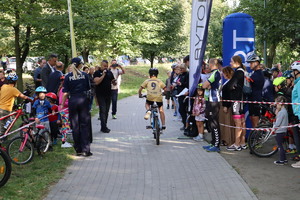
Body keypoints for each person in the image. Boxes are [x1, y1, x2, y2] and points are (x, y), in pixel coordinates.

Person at [61, 57, 92, 157]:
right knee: (85, 125)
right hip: (83, 100)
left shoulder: (68, 76)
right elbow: (88, 88)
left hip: (72, 101)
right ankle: (86, 150)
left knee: (75, 125)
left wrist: (62, 104)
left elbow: (65, 92)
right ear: (80, 65)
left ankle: (78, 149)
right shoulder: (84, 75)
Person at [226, 55, 247, 151]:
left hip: (236, 100)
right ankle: (242, 143)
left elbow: (230, 86)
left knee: (237, 122)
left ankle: (237, 144)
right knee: (242, 122)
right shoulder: (243, 71)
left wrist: (230, 87)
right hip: (241, 99)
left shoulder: (238, 72)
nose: (230, 63)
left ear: (236, 62)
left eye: (231, 61)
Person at [202, 58, 222, 152]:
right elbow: (207, 85)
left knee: (214, 123)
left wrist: (206, 85)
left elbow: (204, 85)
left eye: (208, 64)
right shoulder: (214, 73)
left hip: (214, 100)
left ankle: (217, 144)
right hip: (210, 100)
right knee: (210, 122)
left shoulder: (215, 73)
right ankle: (213, 142)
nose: (208, 66)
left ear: (211, 64)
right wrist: (207, 85)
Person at [94, 60, 114, 133]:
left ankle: (104, 125)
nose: (105, 67)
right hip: (100, 94)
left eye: (106, 66)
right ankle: (103, 127)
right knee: (103, 110)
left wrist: (114, 81)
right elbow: (96, 82)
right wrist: (103, 75)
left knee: (107, 110)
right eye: (104, 66)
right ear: (101, 65)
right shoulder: (97, 73)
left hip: (108, 94)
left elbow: (112, 80)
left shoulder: (109, 72)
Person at [246, 54, 264, 128]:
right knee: (252, 119)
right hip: (252, 98)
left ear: (256, 63)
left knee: (254, 119)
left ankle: (258, 138)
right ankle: (255, 136)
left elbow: (250, 81)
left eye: (251, 63)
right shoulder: (255, 73)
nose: (250, 65)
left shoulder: (258, 74)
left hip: (255, 99)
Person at [219, 66, 235, 146]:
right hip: (224, 103)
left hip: (226, 105)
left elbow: (228, 95)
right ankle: (225, 138)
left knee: (227, 122)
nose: (222, 74)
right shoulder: (228, 82)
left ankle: (228, 139)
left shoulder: (230, 82)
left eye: (224, 72)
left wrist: (226, 106)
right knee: (224, 122)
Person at [57, 76, 72, 148]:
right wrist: (71, 102)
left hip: (63, 110)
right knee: (65, 126)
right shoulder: (64, 90)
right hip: (64, 110)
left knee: (65, 126)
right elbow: (62, 102)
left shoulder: (62, 89)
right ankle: (64, 142)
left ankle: (64, 140)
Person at [273, 96, 288, 165]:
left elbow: (278, 123)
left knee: (280, 146)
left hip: (279, 131)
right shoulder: (285, 111)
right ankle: (284, 159)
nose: (276, 106)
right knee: (282, 145)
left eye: (276, 104)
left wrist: (274, 125)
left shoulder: (281, 113)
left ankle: (282, 160)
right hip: (284, 131)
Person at [290, 61, 300, 168]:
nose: (292, 73)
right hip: (296, 113)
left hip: (299, 114)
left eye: (294, 71)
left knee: (298, 137)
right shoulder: (297, 83)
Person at [177, 63, 189, 133]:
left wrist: (181, 84)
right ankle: (184, 124)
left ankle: (186, 125)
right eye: (180, 69)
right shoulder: (181, 75)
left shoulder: (187, 74)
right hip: (180, 94)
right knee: (181, 110)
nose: (181, 70)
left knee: (183, 109)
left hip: (184, 94)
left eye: (182, 69)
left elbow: (187, 84)